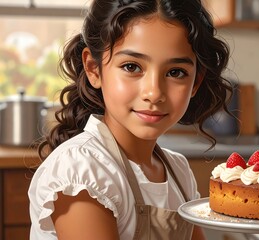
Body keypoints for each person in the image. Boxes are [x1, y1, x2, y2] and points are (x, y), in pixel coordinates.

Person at [28, 0, 232, 239]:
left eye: (175, 72)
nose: (154, 92)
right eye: (132, 67)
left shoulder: (178, 172)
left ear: (195, 81)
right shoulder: (82, 173)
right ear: (94, 69)